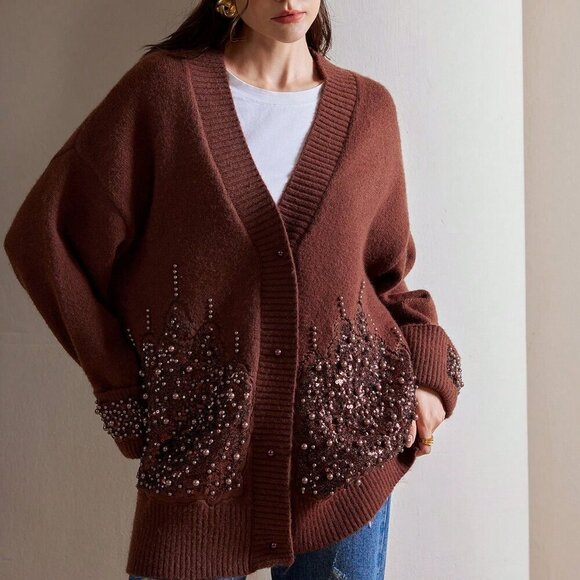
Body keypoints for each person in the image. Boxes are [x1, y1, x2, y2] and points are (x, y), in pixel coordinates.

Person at [3, 1, 465, 579]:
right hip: (200, 466)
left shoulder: (369, 110)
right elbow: (45, 241)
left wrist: (428, 381)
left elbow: (385, 278)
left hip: (350, 459)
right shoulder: (165, 94)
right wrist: (120, 386)